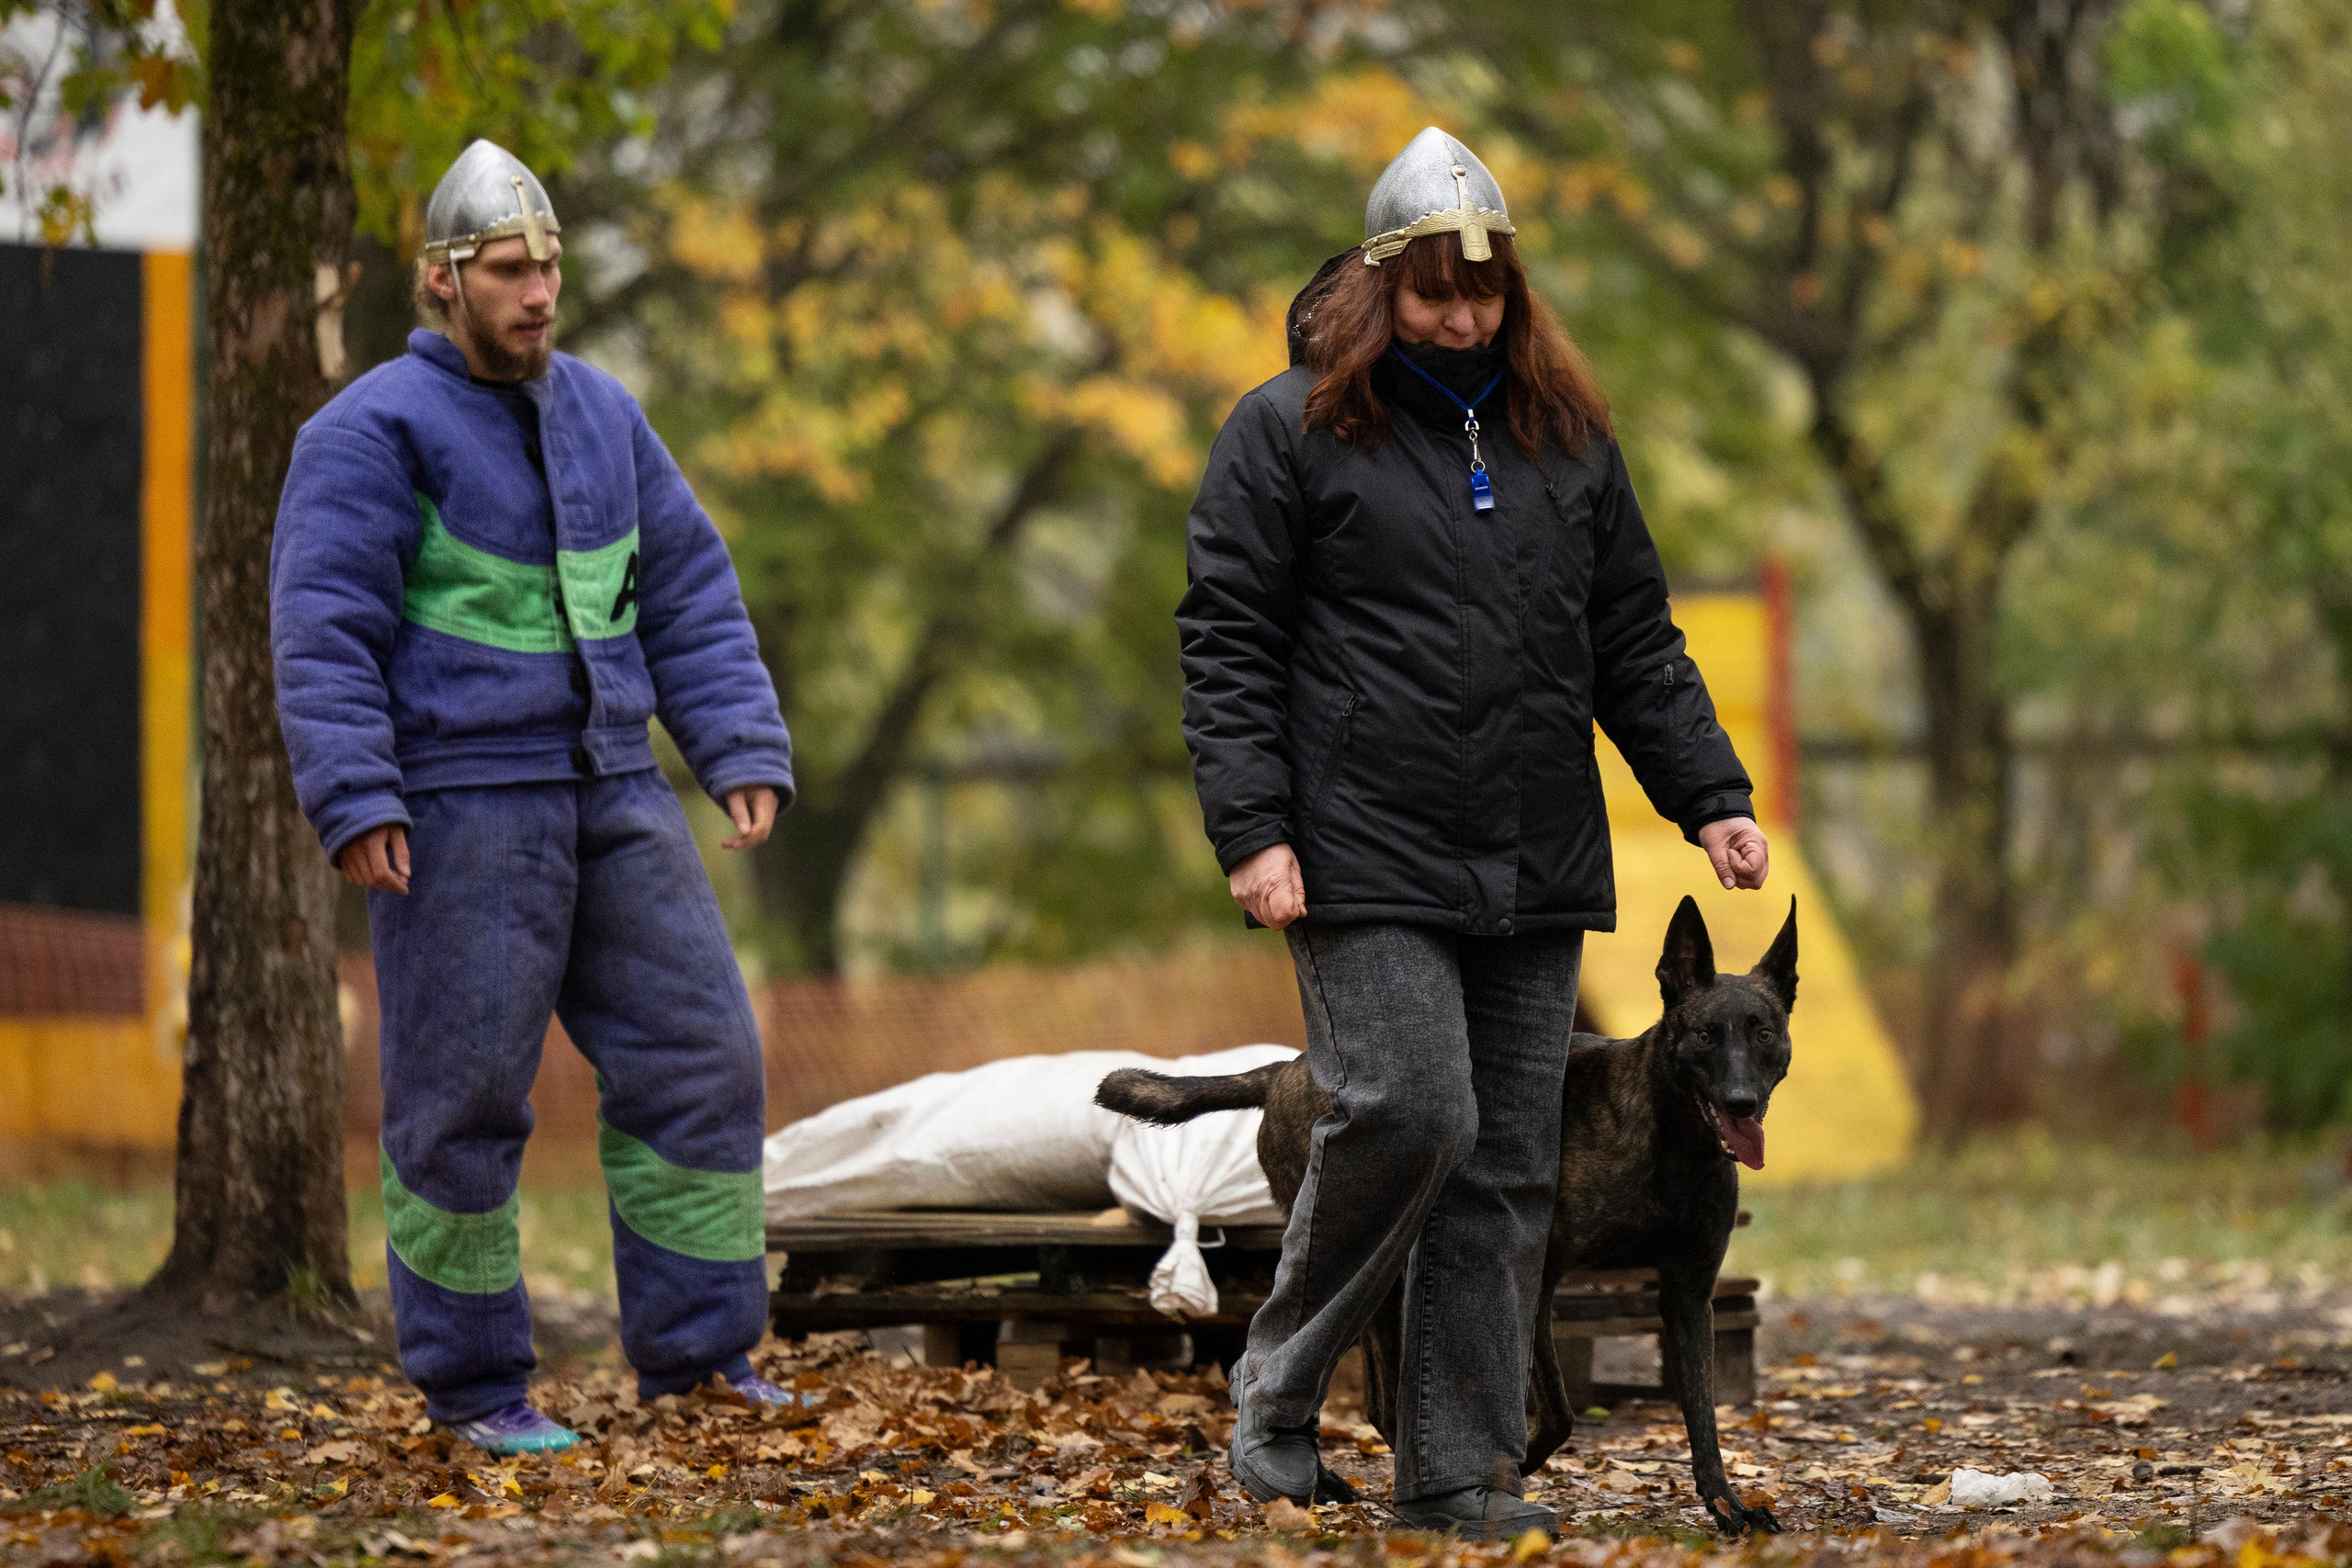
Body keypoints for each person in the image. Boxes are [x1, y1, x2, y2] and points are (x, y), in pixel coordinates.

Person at [1176, 128, 1770, 1535]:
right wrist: (1255, 831)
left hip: (1535, 855)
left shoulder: (1567, 439)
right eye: (1435, 294)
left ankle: (1455, 1471)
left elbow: (1632, 637)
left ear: (1514, 296)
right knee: (1411, 1111)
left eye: (1484, 296)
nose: (1461, 319)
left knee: (1507, 1166)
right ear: (1384, 290)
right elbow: (1227, 645)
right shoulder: (1289, 432)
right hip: (1358, 848)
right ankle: (1275, 1399)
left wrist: (1713, 795)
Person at [270, 140, 799, 1454]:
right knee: (460, 1104)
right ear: (443, 281)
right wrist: (355, 796)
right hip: (457, 808)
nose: (540, 292)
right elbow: (321, 629)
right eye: (511, 269)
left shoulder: (605, 413)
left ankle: (700, 1357)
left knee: (702, 1057)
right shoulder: (364, 434)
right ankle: (473, 1390)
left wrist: (737, 744)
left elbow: (684, 586)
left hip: (617, 787)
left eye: (550, 266)